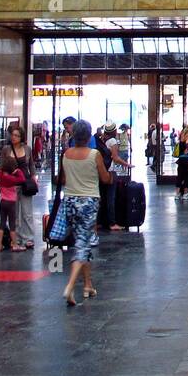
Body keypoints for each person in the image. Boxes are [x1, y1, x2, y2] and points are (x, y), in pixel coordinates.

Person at [57, 119, 111, 305]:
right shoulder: (94, 154)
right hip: (88, 201)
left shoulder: (67, 154)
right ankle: (70, 286)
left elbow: (63, 179)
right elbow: (104, 178)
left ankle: (88, 284)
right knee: (82, 243)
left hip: (70, 200)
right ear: (88, 136)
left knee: (82, 239)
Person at [0, 148, 26, 251]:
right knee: (12, 224)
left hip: (2, 202)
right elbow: (22, 179)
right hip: (11, 203)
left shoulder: (0, 174)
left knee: (2, 223)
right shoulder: (12, 179)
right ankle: (15, 245)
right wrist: (18, 171)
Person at [5, 123, 36, 249]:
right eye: (13, 135)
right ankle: (15, 237)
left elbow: (31, 165)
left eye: (17, 135)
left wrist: (33, 177)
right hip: (12, 184)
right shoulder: (6, 150)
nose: (14, 138)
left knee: (27, 212)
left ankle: (28, 237)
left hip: (25, 184)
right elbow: (2, 166)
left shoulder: (27, 149)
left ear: (21, 137)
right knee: (14, 213)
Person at [103, 121, 131, 228]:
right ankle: (112, 222)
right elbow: (115, 157)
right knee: (111, 196)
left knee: (105, 196)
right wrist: (127, 164)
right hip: (110, 171)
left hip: (103, 170)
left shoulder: (103, 139)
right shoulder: (113, 141)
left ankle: (104, 221)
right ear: (114, 131)